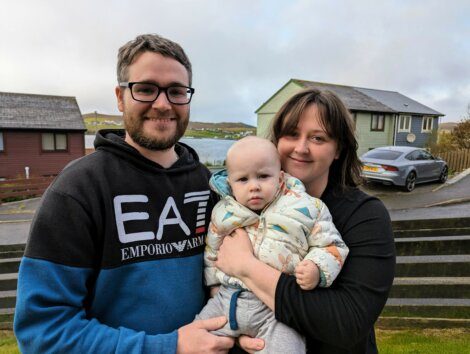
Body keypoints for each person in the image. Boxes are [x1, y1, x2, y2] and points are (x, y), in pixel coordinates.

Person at [14, 33, 236, 354]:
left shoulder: (209, 185)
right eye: (146, 89)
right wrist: (168, 347)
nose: (163, 104)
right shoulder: (78, 189)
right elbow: (43, 332)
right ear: (120, 98)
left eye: (176, 91)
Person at [216, 89, 396, 354]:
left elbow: (346, 324)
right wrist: (237, 330)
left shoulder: (365, 216)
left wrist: (247, 267)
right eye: (291, 134)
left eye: (318, 138)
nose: (301, 148)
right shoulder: (241, 205)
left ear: (338, 150)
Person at [197, 136, 349, 353]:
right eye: (243, 180)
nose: (254, 187)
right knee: (195, 338)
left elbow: (332, 246)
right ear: (230, 184)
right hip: (227, 300)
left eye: (263, 176)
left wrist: (316, 269)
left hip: (276, 309)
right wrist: (212, 285)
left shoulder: (306, 207)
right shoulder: (223, 212)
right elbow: (212, 250)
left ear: (280, 178)